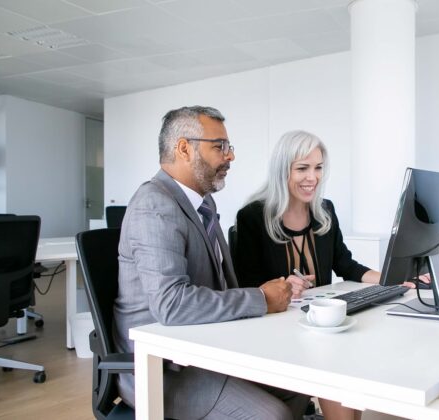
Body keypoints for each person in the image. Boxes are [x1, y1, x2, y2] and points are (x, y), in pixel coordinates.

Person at [113, 106, 310, 420]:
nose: (229, 156)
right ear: (183, 148)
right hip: (163, 369)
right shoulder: (154, 205)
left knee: (301, 381)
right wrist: (260, 299)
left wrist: (270, 295)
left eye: (228, 147)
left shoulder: (203, 204)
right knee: (272, 415)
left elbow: (221, 286)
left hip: (204, 347)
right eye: (219, 147)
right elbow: (171, 304)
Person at [235, 130, 419, 420]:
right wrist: (282, 287)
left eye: (318, 167)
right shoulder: (252, 218)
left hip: (322, 329)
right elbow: (246, 286)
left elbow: (345, 265)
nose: (313, 177)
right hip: (278, 333)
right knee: (341, 366)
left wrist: (391, 279)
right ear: (283, 170)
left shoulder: (324, 211)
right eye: (302, 168)